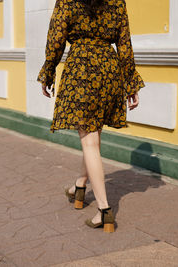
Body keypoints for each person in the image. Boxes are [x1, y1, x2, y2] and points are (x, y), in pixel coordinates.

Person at [37, 0, 145, 233]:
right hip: (109, 69)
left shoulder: (67, 0)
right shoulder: (117, 2)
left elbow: (55, 40)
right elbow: (124, 44)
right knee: (93, 140)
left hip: (81, 69)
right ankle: (79, 185)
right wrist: (131, 82)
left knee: (90, 142)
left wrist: (48, 71)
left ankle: (104, 211)